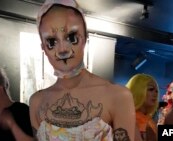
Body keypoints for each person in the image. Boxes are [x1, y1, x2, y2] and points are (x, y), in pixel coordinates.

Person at [29, 0, 135, 140]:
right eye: (51, 41)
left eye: (71, 37)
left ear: (85, 38)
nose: (62, 50)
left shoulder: (118, 96)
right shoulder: (37, 102)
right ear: (43, 47)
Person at [126, 74, 159, 141]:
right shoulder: (130, 118)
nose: (155, 94)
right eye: (151, 89)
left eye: (156, 91)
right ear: (138, 90)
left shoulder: (149, 119)